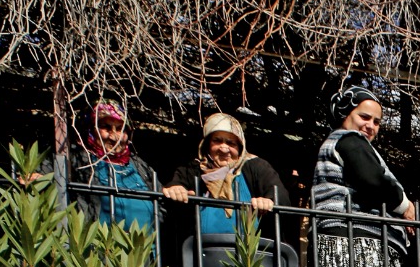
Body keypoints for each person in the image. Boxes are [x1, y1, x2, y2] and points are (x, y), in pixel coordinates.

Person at [313, 86, 417, 267]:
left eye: (377, 121)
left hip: (355, 243)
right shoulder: (348, 139)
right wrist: (404, 205)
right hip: (357, 246)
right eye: (364, 117)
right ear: (345, 114)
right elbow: (371, 180)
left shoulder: (342, 142)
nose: (370, 125)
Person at [165, 112, 289, 250]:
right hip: (202, 256)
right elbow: (175, 186)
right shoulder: (193, 170)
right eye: (217, 140)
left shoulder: (256, 167)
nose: (224, 149)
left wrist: (268, 201)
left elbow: (280, 196)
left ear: (240, 147)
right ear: (206, 144)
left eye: (231, 143)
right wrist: (176, 190)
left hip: (249, 257)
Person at [69, 98, 157, 230]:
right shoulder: (79, 159)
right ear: (90, 130)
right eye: (106, 127)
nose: (114, 136)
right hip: (103, 248)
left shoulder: (139, 165)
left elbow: (160, 199)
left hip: (145, 249)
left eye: (120, 129)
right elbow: (52, 171)